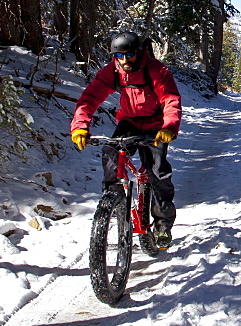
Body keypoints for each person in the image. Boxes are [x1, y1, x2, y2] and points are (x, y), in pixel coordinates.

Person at [70, 31, 182, 249]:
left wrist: (169, 126)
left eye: (129, 54)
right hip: (129, 122)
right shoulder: (113, 71)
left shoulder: (157, 71)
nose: (124, 60)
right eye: (118, 55)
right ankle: (115, 199)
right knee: (111, 153)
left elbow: (171, 100)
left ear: (139, 52)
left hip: (156, 126)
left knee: (157, 173)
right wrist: (80, 127)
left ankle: (162, 226)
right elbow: (89, 98)